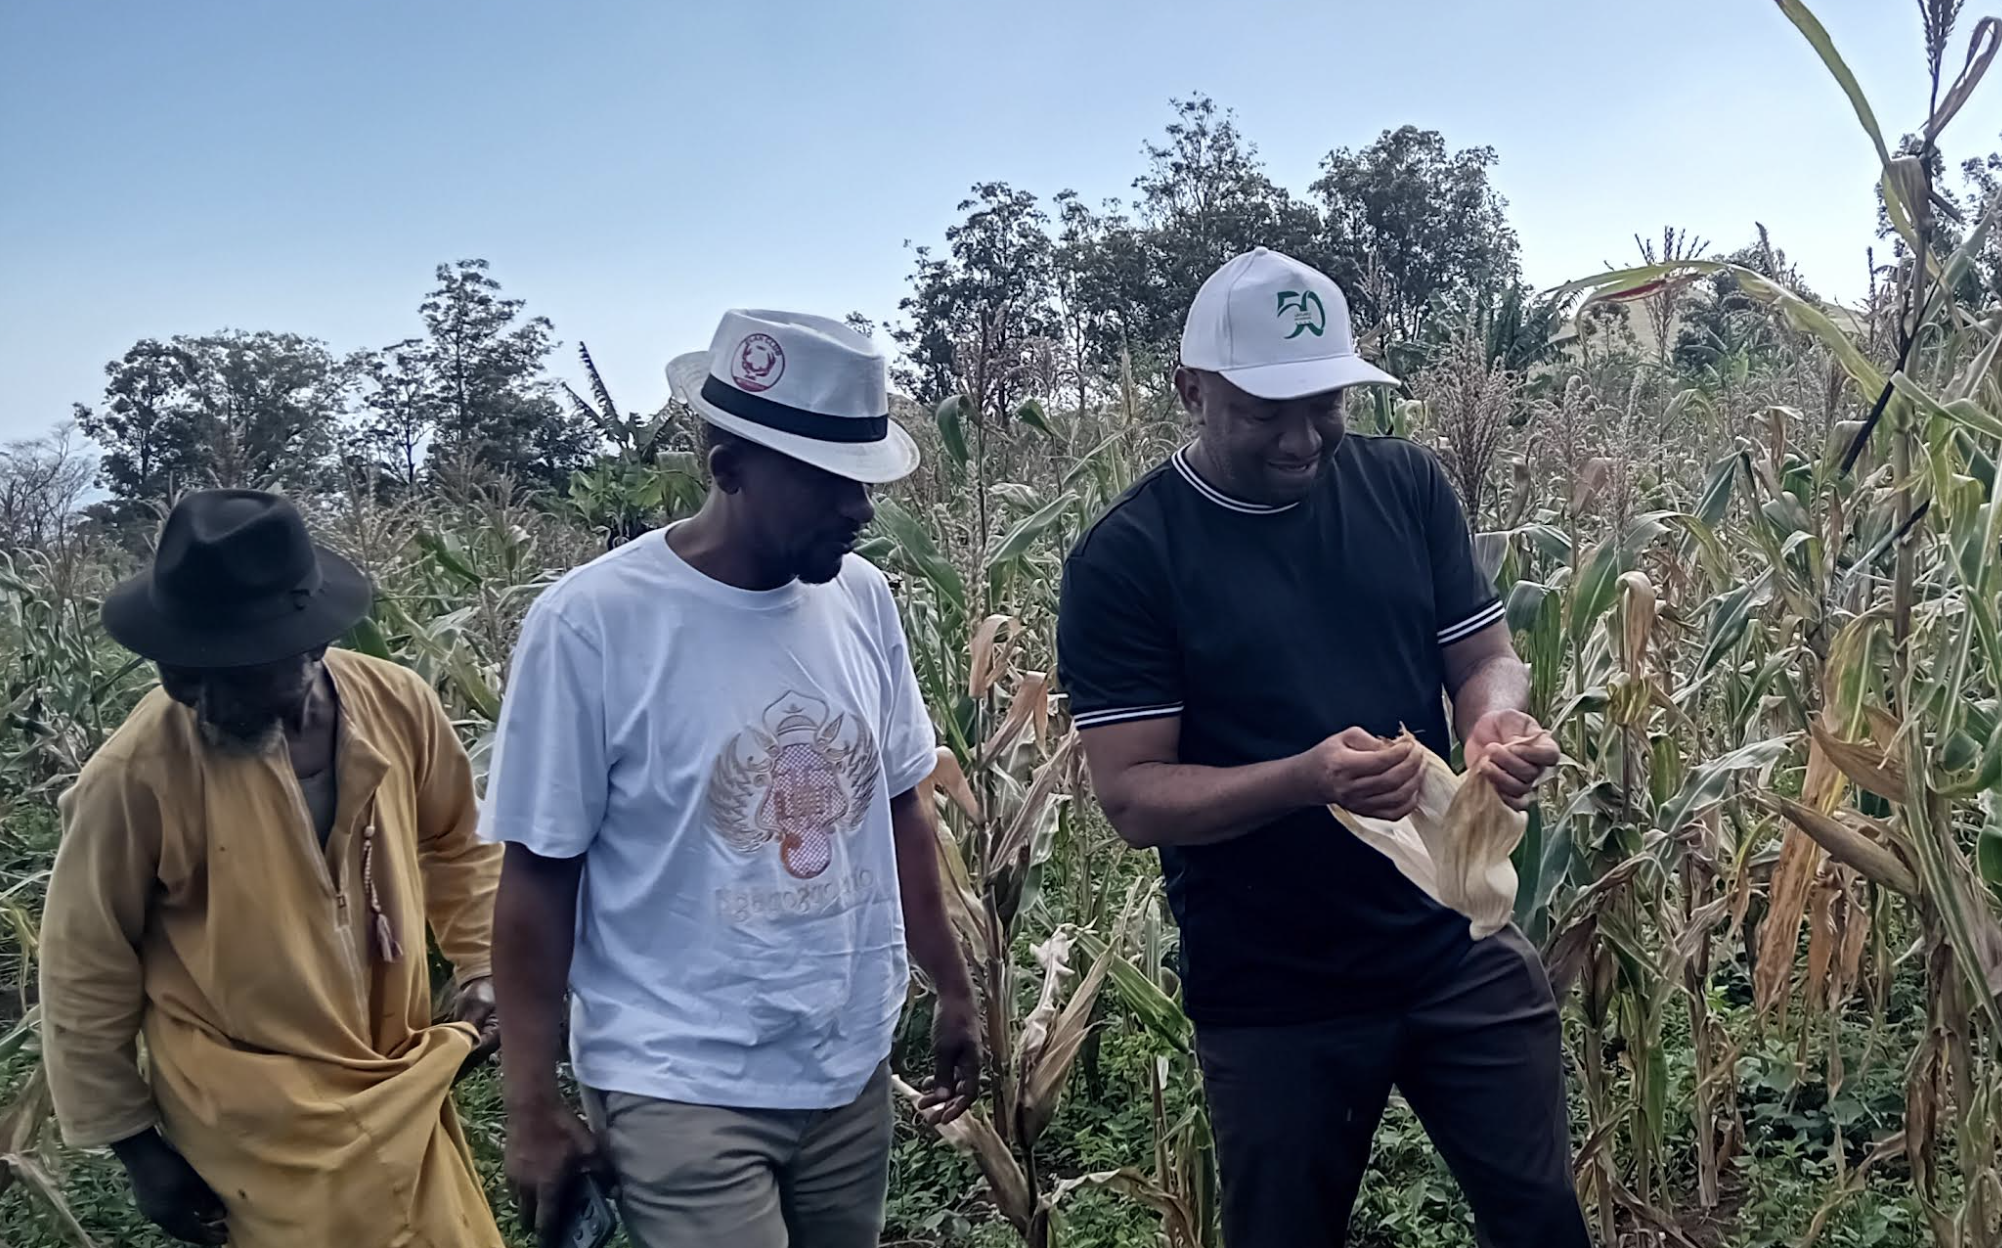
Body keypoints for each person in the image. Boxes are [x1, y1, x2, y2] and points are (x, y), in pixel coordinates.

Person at [1057, 247, 1590, 1247]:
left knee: (1543, 1220)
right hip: (1275, 990)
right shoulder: (1129, 559)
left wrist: (1493, 720)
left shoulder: (1403, 484)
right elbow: (1132, 797)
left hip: (1455, 942)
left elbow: (1487, 656)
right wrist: (1306, 781)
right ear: (1190, 390)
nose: (1303, 439)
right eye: (1266, 412)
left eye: (1326, 405)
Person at [484, 308, 980, 1248]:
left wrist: (951, 986)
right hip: (679, 1079)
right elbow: (539, 876)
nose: (859, 508)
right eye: (827, 480)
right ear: (727, 465)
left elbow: (901, 809)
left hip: (847, 1064)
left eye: (863, 480)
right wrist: (531, 1104)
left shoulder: (862, 599)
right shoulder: (594, 625)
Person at [39, 489, 506, 1247]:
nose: (204, 699)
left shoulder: (397, 705)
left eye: (230, 672)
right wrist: (136, 1148)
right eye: (181, 672)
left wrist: (483, 963)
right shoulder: (132, 777)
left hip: (400, 1072)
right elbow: (84, 962)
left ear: (311, 649)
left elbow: (458, 839)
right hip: (250, 1117)